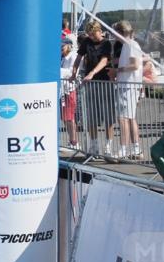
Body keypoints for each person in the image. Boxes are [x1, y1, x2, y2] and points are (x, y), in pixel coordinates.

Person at [78, 21, 116, 157]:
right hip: (91, 84)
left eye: (94, 34)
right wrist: (73, 72)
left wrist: (92, 73)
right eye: (90, 35)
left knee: (108, 116)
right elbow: (79, 57)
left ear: (99, 31)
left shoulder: (106, 43)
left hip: (105, 82)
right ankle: (94, 145)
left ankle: (108, 146)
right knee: (92, 115)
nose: (92, 37)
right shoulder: (86, 42)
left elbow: (104, 60)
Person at [112, 20, 145, 159]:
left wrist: (117, 70)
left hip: (128, 85)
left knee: (123, 118)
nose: (113, 36)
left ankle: (123, 149)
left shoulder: (131, 45)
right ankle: (136, 148)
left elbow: (135, 65)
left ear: (121, 32)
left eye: (115, 33)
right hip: (128, 85)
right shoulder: (129, 45)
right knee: (130, 118)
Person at [59, 38, 79, 150]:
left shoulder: (73, 56)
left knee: (70, 117)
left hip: (69, 89)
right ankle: (71, 140)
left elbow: (72, 72)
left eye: (63, 46)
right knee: (65, 117)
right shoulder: (64, 58)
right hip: (64, 90)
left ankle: (74, 142)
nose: (61, 48)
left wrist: (59, 71)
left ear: (69, 46)